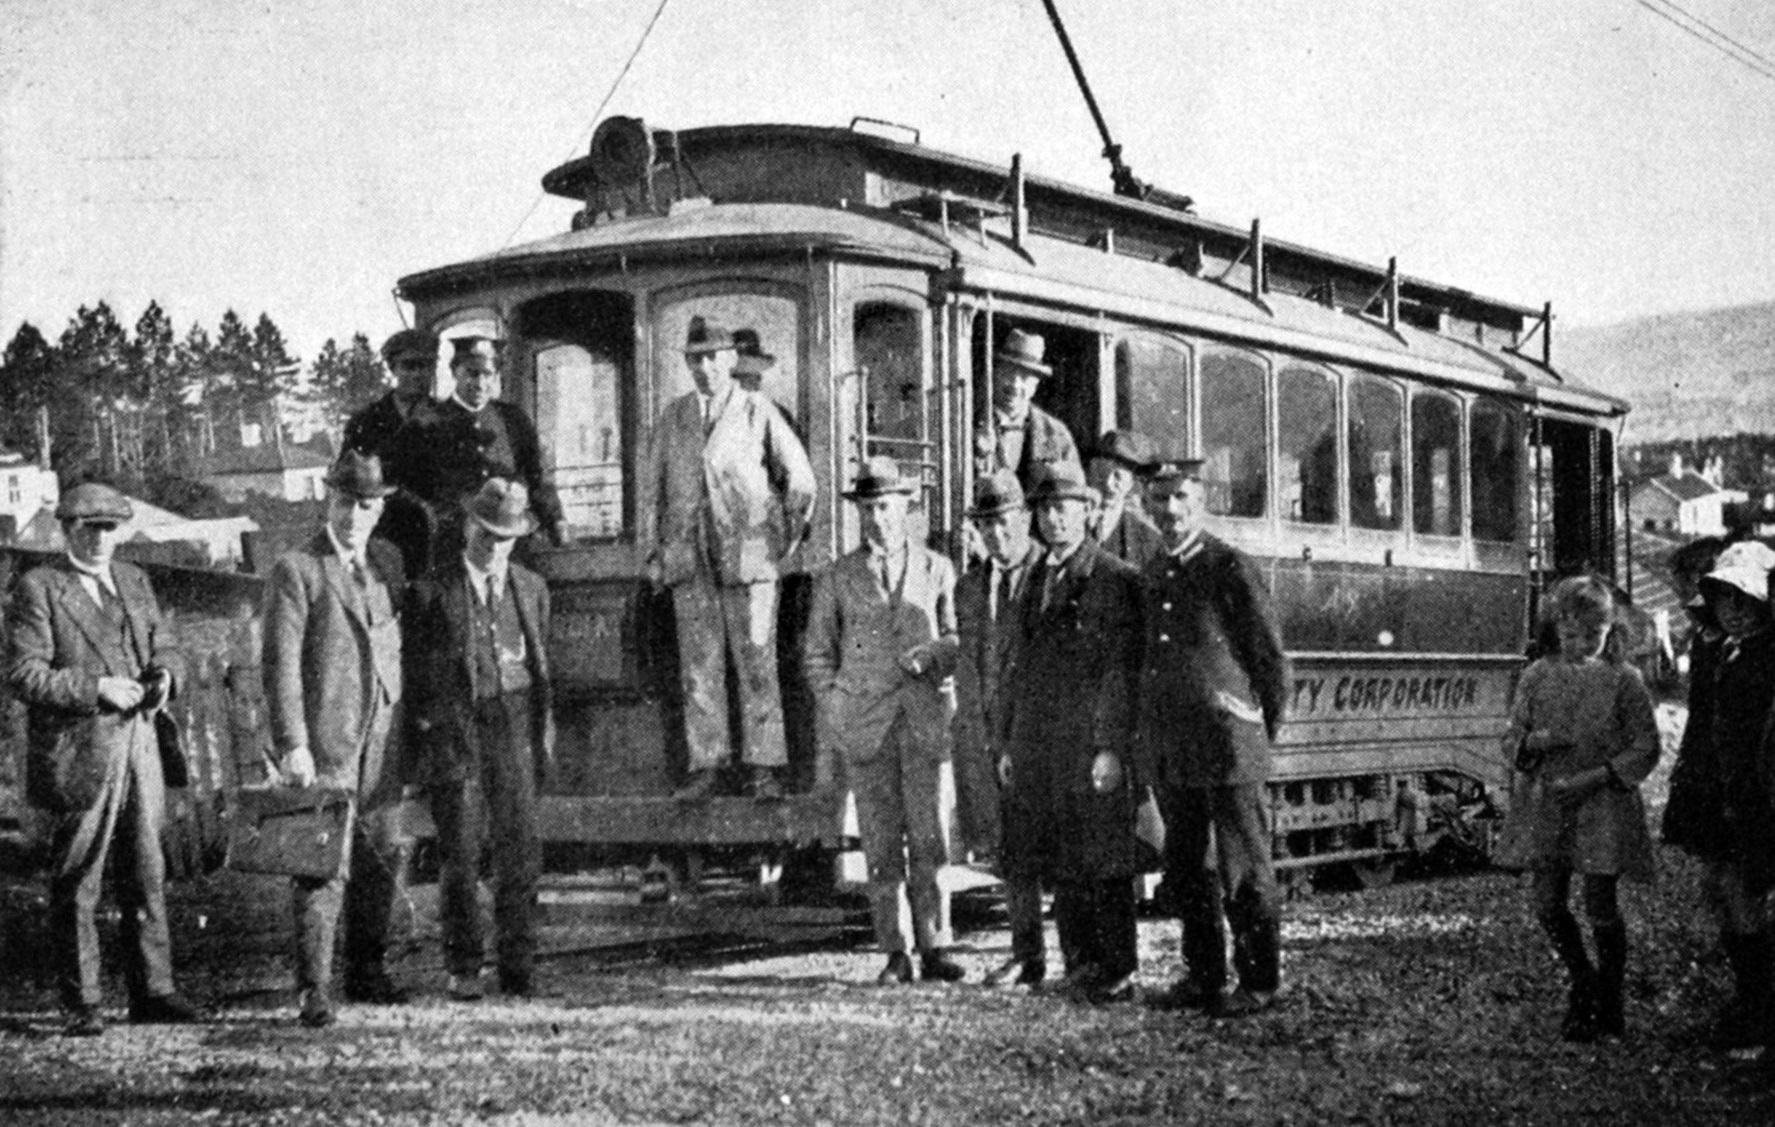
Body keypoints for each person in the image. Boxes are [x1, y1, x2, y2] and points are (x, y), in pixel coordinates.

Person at [5, 482, 203, 1036]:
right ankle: (82, 1002)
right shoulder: (39, 588)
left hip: (140, 744)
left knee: (146, 868)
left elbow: (167, 644)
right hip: (79, 751)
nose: (100, 538)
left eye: (109, 528)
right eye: (88, 528)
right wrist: (96, 688)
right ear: (66, 529)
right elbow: (23, 672)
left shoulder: (135, 581)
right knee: (78, 876)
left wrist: (166, 675)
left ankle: (154, 991)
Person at [261, 451, 411, 1027]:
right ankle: (314, 988)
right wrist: (293, 743)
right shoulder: (298, 568)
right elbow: (280, 665)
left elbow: (391, 644)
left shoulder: (385, 562)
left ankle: (368, 972)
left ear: (380, 509)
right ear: (328, 500)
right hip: (327, 741)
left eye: (366, 504)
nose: (354, 514)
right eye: (345, 501)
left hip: (382, 740)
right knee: (321, 866)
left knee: (383, 856)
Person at [804, 457, 964, 985]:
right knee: (879, 842)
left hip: (921, 721)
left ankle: (936, 944)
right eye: (870, 509)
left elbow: (960, 638)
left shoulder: (938, 568)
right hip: (866, 727)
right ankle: (894, 951)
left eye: (888, 508)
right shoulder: (836, 577)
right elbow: (817, 655)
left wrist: (935, 654)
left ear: (906, 510)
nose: (879, 519)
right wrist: (837, 707)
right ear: (860, 514)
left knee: (929, 838)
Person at [1137, 458, 1288, 1017]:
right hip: (1176, 746)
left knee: (1243, 869)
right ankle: (1203, 977)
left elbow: (1269, 660)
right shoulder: (1154, 571)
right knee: (1189, 867)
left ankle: (1261, 981)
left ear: (1200, 500)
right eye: (1159, 499)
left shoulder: (1229, 566)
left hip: (1228, 744)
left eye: (1180, 497)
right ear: (1145, 506)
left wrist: (1254, 731)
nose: (1170, 510)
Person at [646, 315, 816, 801]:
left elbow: (801, 481)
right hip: (689, 562)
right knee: (699, 669)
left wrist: (780, 539)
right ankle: (708, 765)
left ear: (730, 361)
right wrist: (655, 555)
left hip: (749, 559)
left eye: (713, 358)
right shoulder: (673, 417)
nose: (704, 368)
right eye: (694, 359)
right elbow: (652, 492)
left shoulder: (756, 410)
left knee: (757, 664)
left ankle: (764, 768)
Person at [997, 461, 1144, 1002]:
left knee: (1105, 858)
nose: (1055, 519)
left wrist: (1109, 747)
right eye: (1045, 510)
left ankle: (1118, 968)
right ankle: (1080, 963)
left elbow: (1120, 671)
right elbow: (1022, 666)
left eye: (1065, 509)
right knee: (1064, 858)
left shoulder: (1114, 578)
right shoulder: (1036, 577)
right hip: (1043, 747)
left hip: (1090, 747)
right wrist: (1011, 742)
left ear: (1087, 513)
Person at [406, 478, 555, 999]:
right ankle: (464, 966)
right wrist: (429, 735)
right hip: (458, 731)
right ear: (469, 526)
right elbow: (414, 678)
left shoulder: (532, 589)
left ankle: (518, 965)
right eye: (488, 535)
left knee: (520, 853)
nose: (495, 547)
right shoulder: (430, 591)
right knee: (462, 855)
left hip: (514, 725)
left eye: (507, 537)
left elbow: (540, 668)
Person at [1494, 575, 1661, 1042]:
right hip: (1548, 803)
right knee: (1548, 903)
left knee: (1599, 903)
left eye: (1593, 635)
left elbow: (1645, 745)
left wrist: (1598, 776)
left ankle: (1610, 998)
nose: (1581, 645)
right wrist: (1531, 742)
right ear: (1555, 630)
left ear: (1611, 631)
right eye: (1570, 635)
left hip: (1601, 803)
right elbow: (1510, 738)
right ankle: (1582, 978)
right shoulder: (1537, 675)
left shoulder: (1624, 681)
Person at [1662, 539, 1775, 1049]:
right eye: (1726, 599)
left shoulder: (1762, 658)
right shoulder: (1725, 650)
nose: (1735, 611)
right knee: (1721, 887)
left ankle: (1758, 1006)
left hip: (1753, 795)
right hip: (1727, 789)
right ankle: (1749, 999)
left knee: (1743, 893)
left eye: (1744, 601)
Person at [385, 335, 566, 567]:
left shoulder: (513, 419)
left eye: (487, 374)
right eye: (472, 373)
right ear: (454, 371)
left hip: (508, 543)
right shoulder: (425, 423)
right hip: (454, 548)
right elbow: (398, 483)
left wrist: (556, 519)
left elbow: (537, 476)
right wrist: (432, 515)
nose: (480, 383)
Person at [952, 471, 1039, 872]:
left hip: (1036, 738)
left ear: (1023, 518)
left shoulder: (1051, 572)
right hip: (987, 740)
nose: (995, 534)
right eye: (985, 525)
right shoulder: (969, 586)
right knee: (1009, 862)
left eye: (1003, 521)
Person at [973, 328, 1080, 493]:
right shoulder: (968, 423)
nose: (1015, 386)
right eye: (1008, 373)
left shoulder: (1057, 434)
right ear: (993, 373)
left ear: (1035, 385)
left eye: (1024, 377)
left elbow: (1073, 497)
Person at [342, 328, 439, 458]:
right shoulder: (366, 422)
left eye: (424, 365)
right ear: (393, 368)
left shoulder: (451, 419)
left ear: (433, 369)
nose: (416, 374)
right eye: (408, 366)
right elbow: (347, 474)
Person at [1085, 430, 1164, 568]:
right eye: (1101, 473)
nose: (1108, 484)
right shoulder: (1063, 524)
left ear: (1132, 482)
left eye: (1118, 477)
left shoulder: (1148, 541)